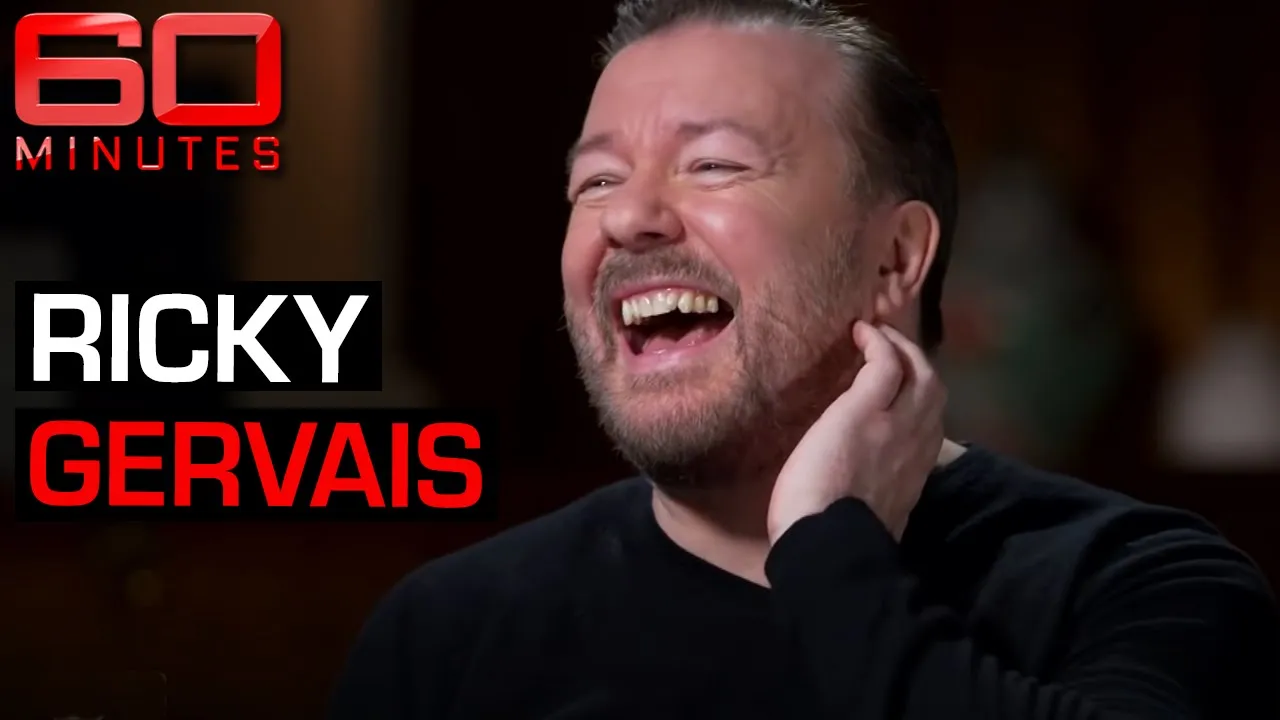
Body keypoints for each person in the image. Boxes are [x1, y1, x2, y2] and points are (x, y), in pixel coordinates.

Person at [330, 0, 1280, 717]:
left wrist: (826, 547)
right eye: (597, 180)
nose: (628, 216)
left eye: (713, 164)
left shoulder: (1143, 585)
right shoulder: (448, 632)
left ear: (895, 258)